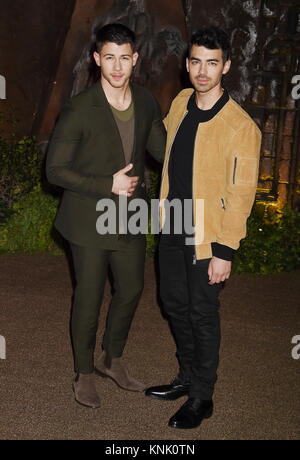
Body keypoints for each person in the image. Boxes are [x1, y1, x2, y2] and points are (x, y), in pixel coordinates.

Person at [145, 26, 262, 429]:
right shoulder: (179, 102)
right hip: (173, 224)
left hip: (208, 235)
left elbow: (242, 194)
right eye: (196, 61)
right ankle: (186, 376)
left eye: (212, 63)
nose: (203, 70)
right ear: (188, 64)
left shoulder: (241, 128)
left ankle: (202, 395)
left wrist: (225, 250)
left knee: (202, 313)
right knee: (173, 303)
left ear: (225, 67)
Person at [46, 23, 166, 409]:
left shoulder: (146, 102)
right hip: (88, 215)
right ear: (97, 60)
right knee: (90, 294)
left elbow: (163, 149)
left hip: (130, 215)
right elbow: (55, 170)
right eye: (109, 57)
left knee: (131, 289)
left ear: (136, 59)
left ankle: (111, 359)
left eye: (124, 57)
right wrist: (105, 184)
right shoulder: (80, 107)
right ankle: (83, 370)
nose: (117, 66)